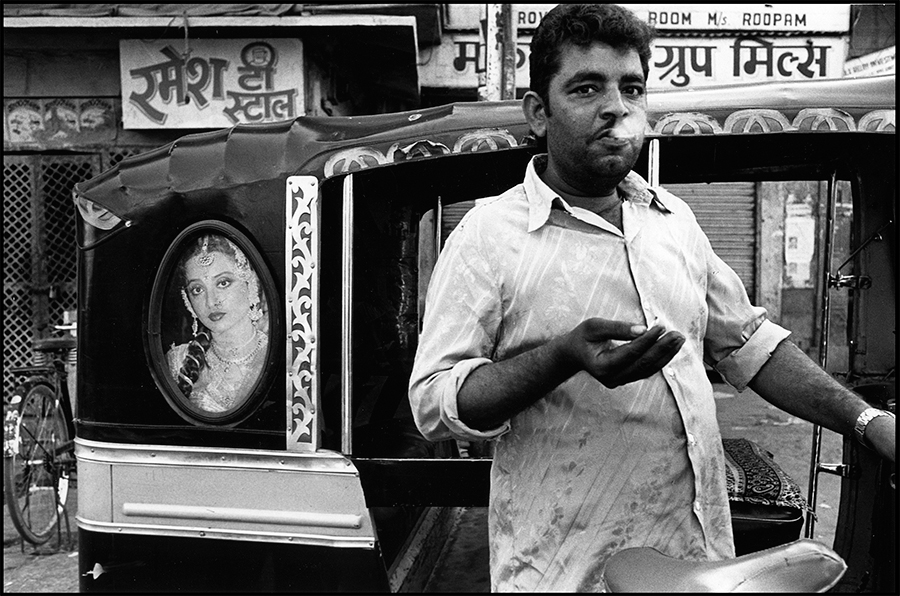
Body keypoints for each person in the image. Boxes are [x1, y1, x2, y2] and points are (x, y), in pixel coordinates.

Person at [408, 4, 895, 592]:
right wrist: (561, 357)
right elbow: (434, 404)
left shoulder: (674, 222)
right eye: (587, 88)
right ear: (539, 112)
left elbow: (751, 345)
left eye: (631, 88)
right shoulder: (488, 236)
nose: (616, 107)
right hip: (564, 569)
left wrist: (867, 422)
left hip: (697, 561)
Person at [167, 234, 269, 413]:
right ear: (188, 300)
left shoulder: (282, 355)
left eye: (223, 283)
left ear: (250, 283)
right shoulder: (178, 361)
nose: (211, 302)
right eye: (197, 289)